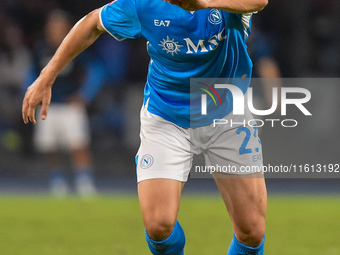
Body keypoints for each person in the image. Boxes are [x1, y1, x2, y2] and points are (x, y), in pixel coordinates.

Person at [22, 0, 268, 254]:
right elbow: (92, 23)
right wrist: (46, 76)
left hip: (226, 115)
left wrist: (203, 3)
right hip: (166, 116)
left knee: (251, 232)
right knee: (158, 226)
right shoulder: (142, 4)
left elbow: (259, 1)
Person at [23, 9, 106, 196]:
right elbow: (30, 73)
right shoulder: (41, 49)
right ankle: (57, 182)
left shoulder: (77, 47)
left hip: (71, 105)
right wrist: (29, 95)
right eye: (52, 27)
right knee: (50, 146)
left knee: (78, 144)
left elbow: (96, 70)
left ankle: (84, 182)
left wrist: (85, 95)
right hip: (48, 106)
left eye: (58, 27)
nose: (54, 30)